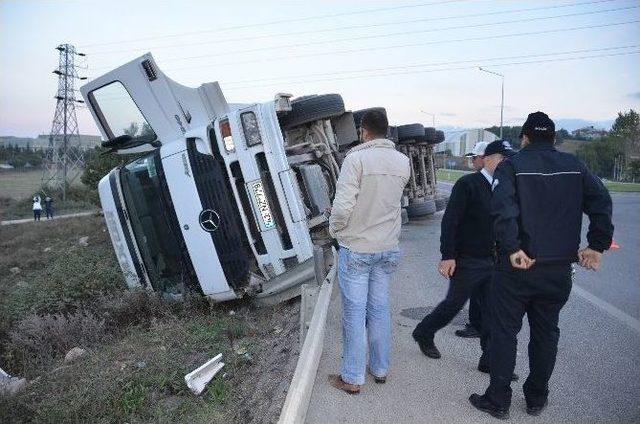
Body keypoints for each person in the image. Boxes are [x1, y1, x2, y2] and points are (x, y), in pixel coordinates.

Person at [469, 112, 614, 419]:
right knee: (546, 333)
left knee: (505, 331)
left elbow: (502, 212)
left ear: (524, 138)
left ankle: (499, 400)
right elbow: (601, 202)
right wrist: (596, 246)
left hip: (518, 266)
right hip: (558, 268)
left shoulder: (511, 167)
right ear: (553, 138)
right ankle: (536, 398)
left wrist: (512, 248)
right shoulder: (575, 167)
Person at [412, 140, 516, 377]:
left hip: (495, 261)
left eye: (509, 160)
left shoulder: (507, 187)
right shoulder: (468, 184)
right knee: (453, 305)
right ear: (487, 159)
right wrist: (448, 256)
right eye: (503, 159)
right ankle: (424, 331)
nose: (507, 164)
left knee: (492, 312)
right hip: (468, 259)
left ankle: (489, 360)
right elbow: (451, 222)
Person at [327, 110, 410, 394]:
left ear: (363, 131)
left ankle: (351, 377)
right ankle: (380, 369)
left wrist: (334, 230)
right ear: (386, 131)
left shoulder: (356, 159)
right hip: (387, 248)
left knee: (354, 313)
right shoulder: (403, 162)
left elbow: (342, 207)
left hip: (358, 248)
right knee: (379, 309)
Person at [456, 140, 490, 339]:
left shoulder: (472, 183)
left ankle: (477, 325)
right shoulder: (491, 180)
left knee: (478, 290)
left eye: (475, 157)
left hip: (478, 249)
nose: (473, 161)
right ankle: (478, 324)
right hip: (487, 249)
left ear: (484, 158)